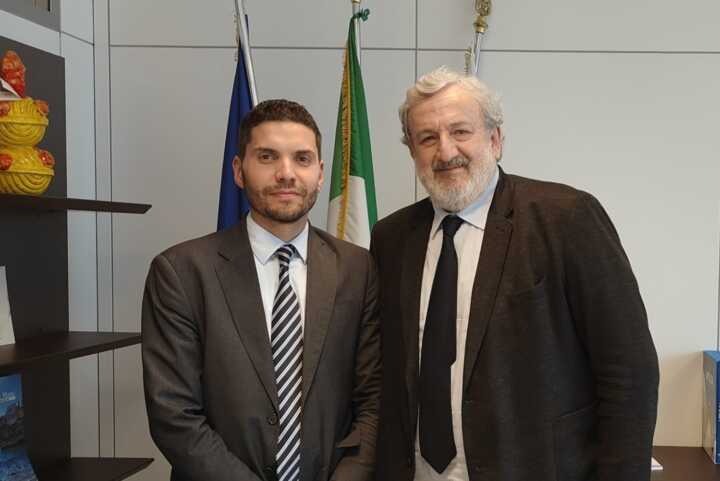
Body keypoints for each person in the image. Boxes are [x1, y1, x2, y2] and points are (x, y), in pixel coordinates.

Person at [372, 66, 659, 481]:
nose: (446, 151)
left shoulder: (566, 218)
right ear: (412, 152)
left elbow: (628, 371)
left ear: (495, 139)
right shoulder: (391, 238)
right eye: (427, 138)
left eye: (460, 131)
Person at [142, 99, 381, 481]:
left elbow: (374, 399)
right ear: (239, 171)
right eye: (267, 157)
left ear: (321, 174)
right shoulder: (181, 272)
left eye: (302, 159)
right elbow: (174, 414)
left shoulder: (357, 269)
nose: (286, 173)